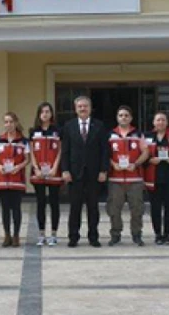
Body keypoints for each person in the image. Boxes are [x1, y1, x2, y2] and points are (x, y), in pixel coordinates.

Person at [60, 95, 109, 248]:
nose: (82, 108)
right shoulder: (68, 126)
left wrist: (103, 170)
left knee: (93, 207)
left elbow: (104, 151)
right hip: (75, 174)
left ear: (90, 108)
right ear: (75, 109)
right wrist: (65, 170)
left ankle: (93, 236)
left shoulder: (99, 126)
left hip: (94, 174)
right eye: (80, 106)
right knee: (75, 207)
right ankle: (73, 236)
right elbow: (65, 151)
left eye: (85, 106)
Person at [107, 105, 148, 246]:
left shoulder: (138, 134)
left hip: (134, 179)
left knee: (137, 209)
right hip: (115, 179)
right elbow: (104, 155)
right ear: (117, 118)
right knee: (114, 209)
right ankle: (115, 234)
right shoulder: (110, 135)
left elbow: (146, 152)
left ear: (130, 118)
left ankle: (136, 234)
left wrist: (136, 164)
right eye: (120, 115)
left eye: (126, 115)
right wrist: (113, 164)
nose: (123, 117)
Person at [29, 102, 62, 246]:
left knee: (54, 203)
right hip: (38, 172)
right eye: (42, 111)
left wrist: (55, 167)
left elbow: (60, 150)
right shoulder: (33, 131)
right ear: (38, 114)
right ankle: (41, 234)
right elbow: (31, 151)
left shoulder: (58, 131)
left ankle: (54, 234)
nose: (45, 114)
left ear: (52, 114)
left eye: (48, 111)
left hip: (54, 172)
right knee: (40, 203)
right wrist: (36, 168)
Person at [144, 112, 169, 245]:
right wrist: (150, 160)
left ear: (167, 122)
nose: (160, 122)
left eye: (163, 120)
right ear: (153, 122)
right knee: (155, 208)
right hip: (153, 178)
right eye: (158, 120)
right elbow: (141, 155)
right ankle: (158, 234)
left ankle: (167, 234)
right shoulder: (147, 137)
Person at [0, 112, 29, 247]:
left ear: (16, 123)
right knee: (4, 209)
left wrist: (18, 167)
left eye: (10, 122)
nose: (8, 124)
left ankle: (16, 235)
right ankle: (7, 235)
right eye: (6, 122)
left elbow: (28, 159)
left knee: (16, 208)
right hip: (2, 179)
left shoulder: (23, 141)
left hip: (16, 179)